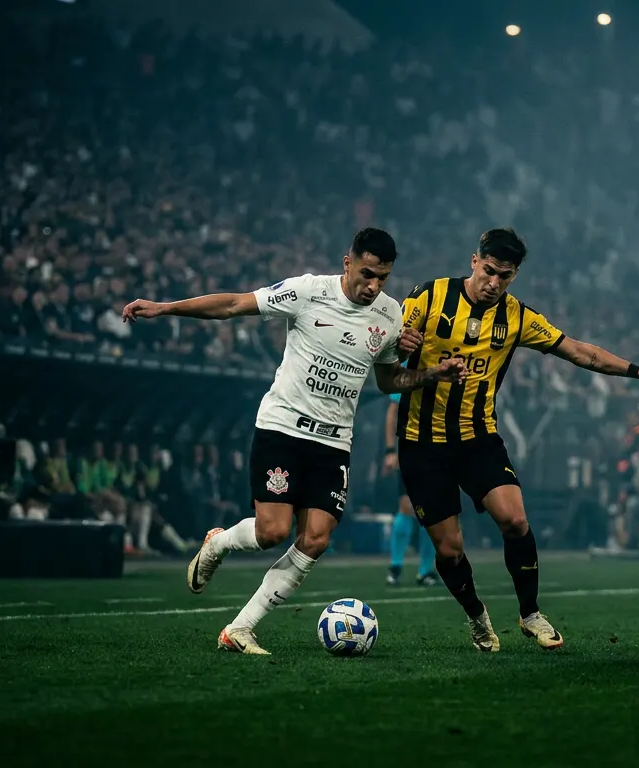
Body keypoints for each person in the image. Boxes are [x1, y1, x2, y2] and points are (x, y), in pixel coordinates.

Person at [121, 228, 465, 655]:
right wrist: (166, 308)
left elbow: (388, 381)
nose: (373, 285)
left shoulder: (390, 315)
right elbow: (233, 304)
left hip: (335, 441)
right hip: (283, 428)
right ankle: (220, 542)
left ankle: (240, 628)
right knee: (273, 532)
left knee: (316, 538)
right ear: (348, 261)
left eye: (383, 278)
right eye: (367, 273)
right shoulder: (308, 292)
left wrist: (431, 373)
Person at [397, 227, 639, 652]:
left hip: (478, 438)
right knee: (450, 548)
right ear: (475, 261)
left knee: (515, 520)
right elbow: (385, 352)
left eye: (505, 276)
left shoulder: (516, 317)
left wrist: (637, 370)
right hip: (422, 442)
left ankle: (530, 613)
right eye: (490, 271)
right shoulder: (428, 297)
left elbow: (580, 352)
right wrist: (398, 342)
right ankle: (477, 617)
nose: (494, 283)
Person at [383, 391, 438, 586]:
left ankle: (425, 571)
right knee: (407, 506)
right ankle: (395, 566)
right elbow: (393, 410)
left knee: (433, 511)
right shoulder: (410, 366)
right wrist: (390, 450)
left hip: (440, 450)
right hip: (412, 449)